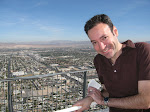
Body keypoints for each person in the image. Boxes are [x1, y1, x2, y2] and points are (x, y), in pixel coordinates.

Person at [73, 14, 150, 112]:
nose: (101, 47)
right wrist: (90, 98)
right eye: (94, 42)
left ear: (115, 32)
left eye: (104, 37)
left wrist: (104, 102)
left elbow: (146, 100)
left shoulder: (142, 51)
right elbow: (108, 91)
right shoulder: (99, 60)